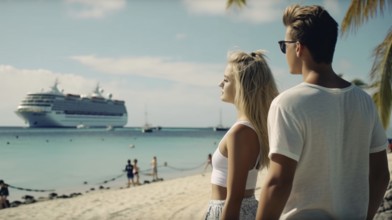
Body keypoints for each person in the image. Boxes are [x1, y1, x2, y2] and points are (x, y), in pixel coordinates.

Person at [256, 4, 390, 220]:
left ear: (298, 48)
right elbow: (381, 175)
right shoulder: (364, 101)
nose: (285, 51)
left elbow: (278, 182)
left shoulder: (287, 103)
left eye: (284, 45)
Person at [205, 50, 278, 220]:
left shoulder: (241, 133)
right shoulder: (252, 128)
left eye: (226, 80)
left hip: (230, 212)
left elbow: (234, 198)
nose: (220, 84)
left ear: (242, 86)